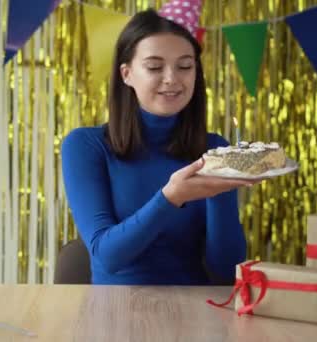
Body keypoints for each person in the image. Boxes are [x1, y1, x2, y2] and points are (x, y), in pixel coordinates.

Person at [61, 8, 253, 285]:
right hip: (114, 312)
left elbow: (226, 269)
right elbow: (107, 256)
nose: (172, 78)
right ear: (127, 74)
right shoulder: (85, 146)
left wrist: (220, 189)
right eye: (154, 67)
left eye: (185, 66)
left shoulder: (214, 148)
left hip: (196, 312)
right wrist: (170, 197)